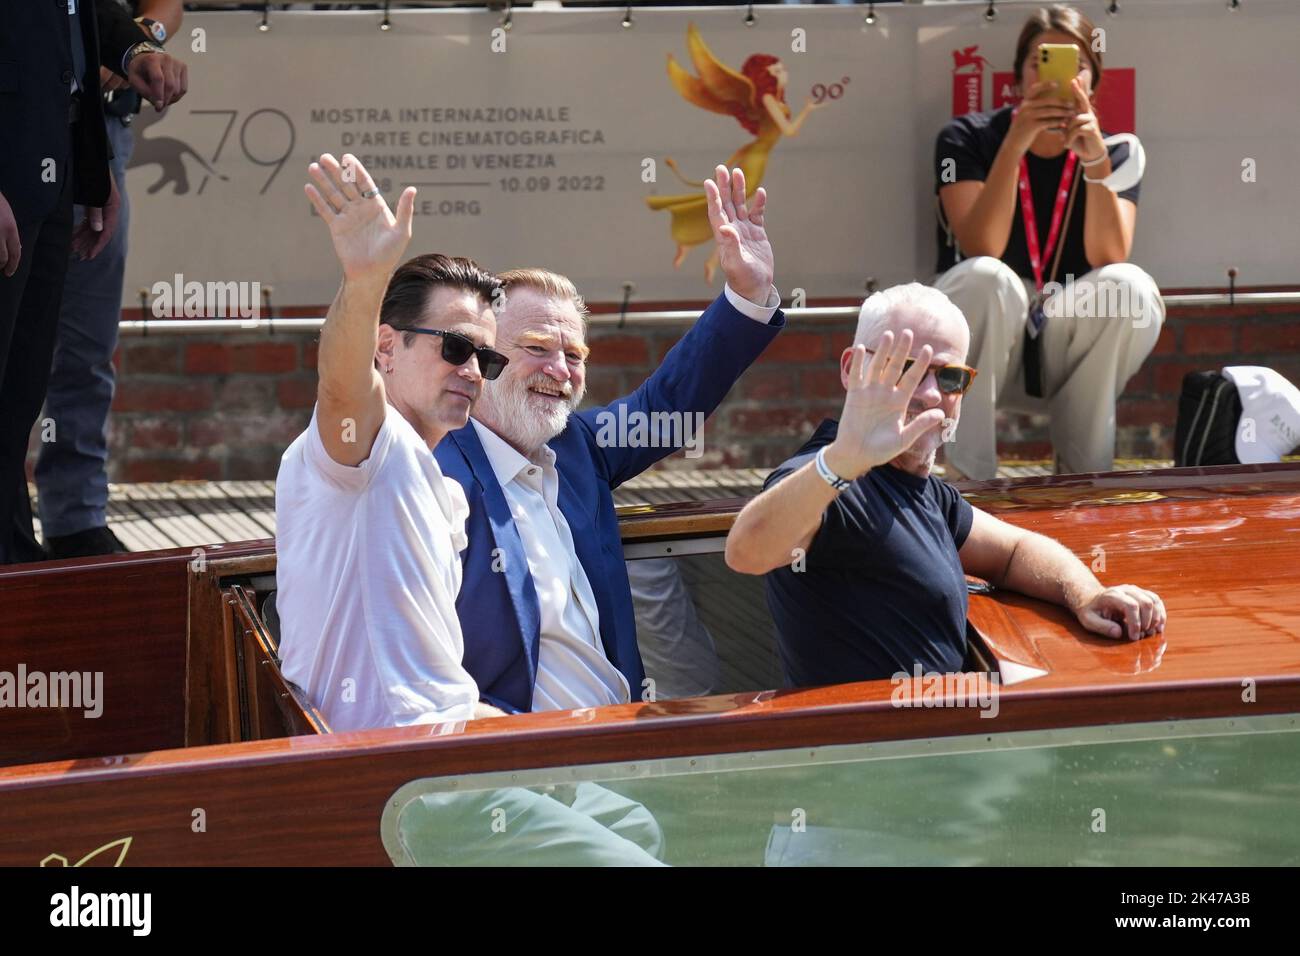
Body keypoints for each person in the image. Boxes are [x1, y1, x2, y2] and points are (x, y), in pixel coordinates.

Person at [436, 165, 785, 715]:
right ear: (484, 356)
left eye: (574, 355)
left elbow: (672, 402)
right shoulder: (432, 470)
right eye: (536, 348)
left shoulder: (579, 447)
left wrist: (747, 293)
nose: (561, 369)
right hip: (510, 771)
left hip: (622, 742)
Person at [724, 283, 1166, 688]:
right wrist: (843, 459)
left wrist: (1087, 595)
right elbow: (748, 552)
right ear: (851, 367)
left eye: (950, 377)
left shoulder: (921, 488)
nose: (932, 394)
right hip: (872, 760)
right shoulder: (828, 480)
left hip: (944, 748)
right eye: (909, 369)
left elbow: (1015, 553)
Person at [276, 153, 510, 732]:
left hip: (449, 748)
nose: (474, 371)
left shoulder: (444, 491)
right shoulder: (367, 450)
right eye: (455, 347)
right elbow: (340, 383)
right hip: (397, 777)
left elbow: (437, 689)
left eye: (487, 357)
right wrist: (364, 280)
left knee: (638, 814)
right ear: (386, 348)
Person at [932, 3, 1163, 480]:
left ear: (1092, 81)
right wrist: (1016, 142)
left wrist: (1095, 162)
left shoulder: (1119, 150)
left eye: (1074, 63)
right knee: (985, 277)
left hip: (1064, 345)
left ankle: (1083, 478)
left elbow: (1109, 255)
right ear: (1017, 79)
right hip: (986, 341)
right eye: (1040, 59)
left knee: (1130, 286)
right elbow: (983, 244)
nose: (1055, 72)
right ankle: (968, 480)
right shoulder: (965, 138)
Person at [0, 0, 187, 564]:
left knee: (19, 390)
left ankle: (15, 561)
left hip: (55, 161)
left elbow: (76, 22)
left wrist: (90, 157)